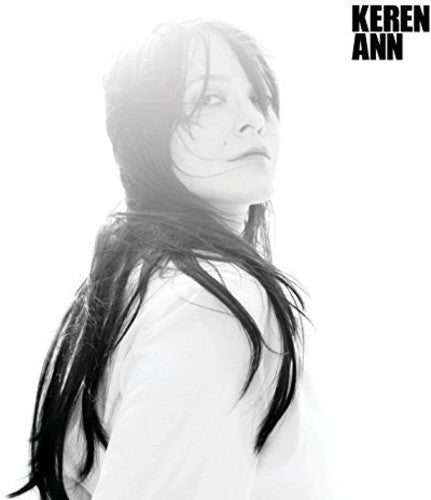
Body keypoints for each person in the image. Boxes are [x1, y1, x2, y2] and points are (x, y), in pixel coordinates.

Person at [7, 17, 332, 500]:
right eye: (210, 98)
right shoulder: (213, 304)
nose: (254, 119)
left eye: (259, 97)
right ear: (149, 133)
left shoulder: (134, 289)